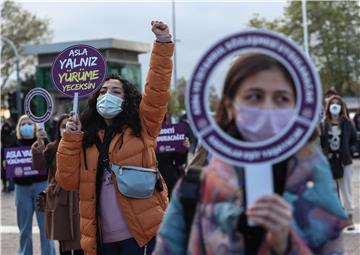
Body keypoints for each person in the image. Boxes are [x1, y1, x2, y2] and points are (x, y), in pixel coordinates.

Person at [153, 54, 350, 254]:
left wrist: (287, 245)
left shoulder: (314, 179)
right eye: (254, 96)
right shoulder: (194, 188)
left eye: (281, 98)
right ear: (230, 105)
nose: (267, 108)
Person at [55, 21, 174, 255]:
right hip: (101, 239)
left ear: (127, 99)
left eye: (115, 91)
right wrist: (70, 139)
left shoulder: (143, 126)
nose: (107, 95)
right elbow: (68, 181)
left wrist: (162, 43)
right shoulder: (85, 138)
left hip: (141, 235)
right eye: (103, 91)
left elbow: (157, 90)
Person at [11, 115, 56, 255]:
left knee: (45, 226)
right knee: (24, 228)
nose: (26, 126)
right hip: (22, 190)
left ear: (35, 127)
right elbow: (7, 163)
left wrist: (44, 138)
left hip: (41, 187)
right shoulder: (13, 144)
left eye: (29, 123)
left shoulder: (42, 142)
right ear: (19, 128)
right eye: (23, 124)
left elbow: (51, 157)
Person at [40, 114, 83, 255]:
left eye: (69, 125)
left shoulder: (83, 146)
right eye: (63, 126)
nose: (67, 129)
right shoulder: (52, 148)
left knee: (80, 242)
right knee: (63, 243)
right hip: (59, 201)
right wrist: (39, 143)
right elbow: (39, 165)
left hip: (78, 200)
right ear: (58, 129)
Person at [320, 95, 357, 230]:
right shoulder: (324, 123)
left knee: (345, 189)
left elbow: (355, 140)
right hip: (329, 161)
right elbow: (320, 142)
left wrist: (350, 151)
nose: (335, 105)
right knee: (332, 191)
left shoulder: (347, 123)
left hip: (344, 162)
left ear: (341, 106)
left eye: (338, 103)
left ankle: (349, 216)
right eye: (332, 103)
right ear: (328, 107)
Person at [1, 120, 16, 192]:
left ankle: (11, 185)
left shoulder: (12, 134)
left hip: (11, 152)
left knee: (11, 169)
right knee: (4, 170)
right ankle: (5, 186)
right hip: (5, 152)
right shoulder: (3, 133)